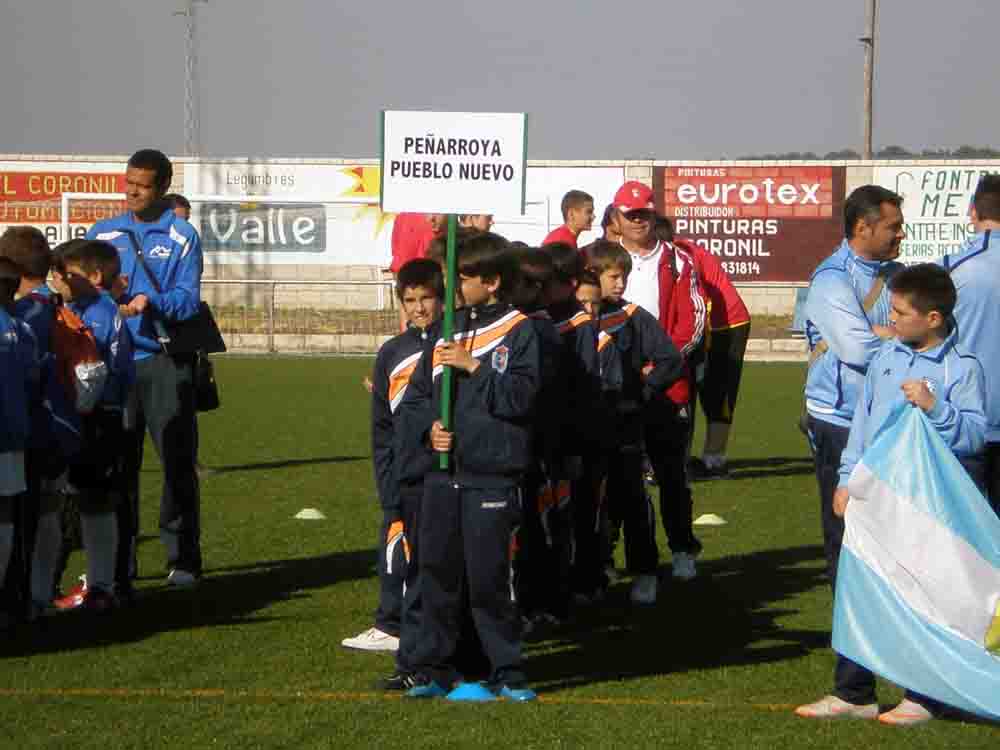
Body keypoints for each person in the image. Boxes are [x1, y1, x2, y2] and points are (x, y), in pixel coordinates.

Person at [797, 264, 987, 726]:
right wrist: (846, 478)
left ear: (934, 318)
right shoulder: (886, 356)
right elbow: (861, 425)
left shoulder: (962, 369)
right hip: (873, 492)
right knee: (858, 585)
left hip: (925, 503)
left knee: (922, 593)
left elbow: (974, 437)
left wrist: (934, 406)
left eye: (902, 313)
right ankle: (853, 692)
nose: (892, 320)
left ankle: (922, 695)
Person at [396, 232, 541, 700]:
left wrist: (475, 368)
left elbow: (522, 398)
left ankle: (507, 671)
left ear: (492, 281)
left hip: (490, 474)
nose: (455, 284)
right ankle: (439, 669)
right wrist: (429, 431)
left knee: (489, 582)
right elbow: (417, 396)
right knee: (438, 575)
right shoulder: (447, 327)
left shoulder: (522, 330)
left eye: (464, 276)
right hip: (442, 474)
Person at [86, 149, 205, 587]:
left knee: (176, 463)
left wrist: (149, 301)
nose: (132, 190)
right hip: (115, 363)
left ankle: (183, 560)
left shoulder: (181, 236)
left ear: (163, 187)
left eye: (143, 184)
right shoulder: (104, 232)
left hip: (162, 360)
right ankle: (119, 563)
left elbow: (189, 300)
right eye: (128, 181)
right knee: (119, 465)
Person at [802, 185, 904, 587]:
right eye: (894, 227)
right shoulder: (830, 279)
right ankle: (850, 636)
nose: (901, 235)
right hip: (839, 420)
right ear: (863, 227)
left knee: (890, 527)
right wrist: (899, 336)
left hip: (889, 417)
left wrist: (884, 332)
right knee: (844, 527)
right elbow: (858, 350)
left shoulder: (898, 275)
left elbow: (931, 335)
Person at [343, 259, 443, 653]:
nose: (418, 308)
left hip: (444, 470)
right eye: (410, 300)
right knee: (397, 546)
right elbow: (382, 425)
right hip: (404, 471)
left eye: (426, 299)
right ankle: (390, 623)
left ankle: (435, 624)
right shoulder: (391, 353)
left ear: (441, 299)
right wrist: (386, 476)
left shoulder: (454, 344)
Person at [613, 181, 707, 584]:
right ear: (616, 217)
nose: (637, 221)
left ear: (654, 215)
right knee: (622, 482)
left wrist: (664, 364)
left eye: (644, 214)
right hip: (617, 390)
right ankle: (635, 566)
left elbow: (695, 320)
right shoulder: (599, 261)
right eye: (630, 214)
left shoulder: (678, 261)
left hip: (668, 387)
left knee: (672, 477)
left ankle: (683, 548)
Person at [585, 240, 686, 604]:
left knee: (632, 499)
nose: (620, 283)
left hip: (625, 428)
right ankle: (595, 568)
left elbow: (671, 360)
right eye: (613, 276)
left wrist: (641, 390)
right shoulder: (573, 317)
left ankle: (645, 572)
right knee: (589, 502)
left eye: (624, 276)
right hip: (583, 430)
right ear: (592, 275)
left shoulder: (632, 316)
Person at [50, 241, 135, 611]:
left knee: (93, 501)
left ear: (95, 277)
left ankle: (102, 585)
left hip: (97, 417)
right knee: (73, 502)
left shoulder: (97, 313)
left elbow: (89, 375)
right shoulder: (76, 307)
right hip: (88, 415)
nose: (59, 280)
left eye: (67, 274)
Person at [654, 218, 752, 480]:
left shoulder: (682, 257)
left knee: (717, 389)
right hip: (707, 323)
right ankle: (682, 458)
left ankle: (714, 460)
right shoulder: (668, 256)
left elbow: (700, 304)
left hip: (726, 324)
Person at [939, 174, 1000, 515]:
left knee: (966, 538)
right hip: (971, 420)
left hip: (966, 419)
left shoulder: (951, 268)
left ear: (972, 211)